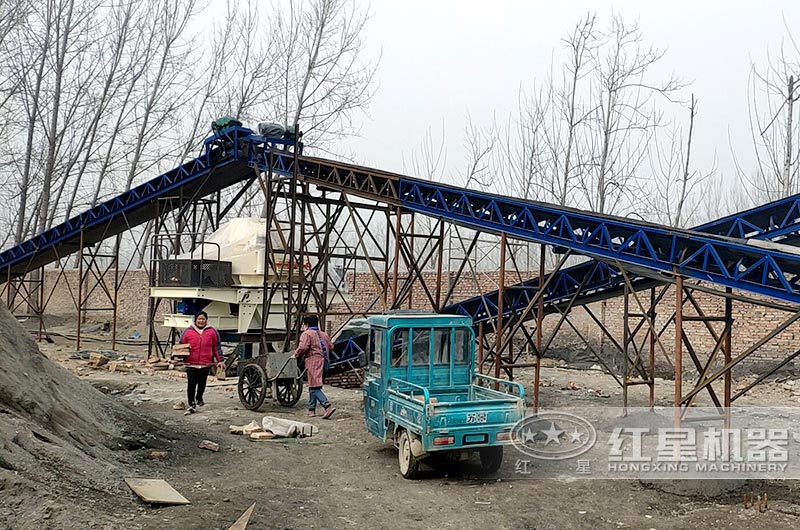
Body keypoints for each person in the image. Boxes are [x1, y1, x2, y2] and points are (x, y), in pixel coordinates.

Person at [179, 311, 224, 415]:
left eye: (203, 319)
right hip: (191, 363)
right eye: (199, 319)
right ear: (195, 320)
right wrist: (179, 354)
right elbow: (180, 345)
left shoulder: (212, 332)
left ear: (206, 320)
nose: (201, 321)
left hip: (205, 363)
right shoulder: (188, 332)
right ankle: (191, 404)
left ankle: (199, 397)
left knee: (202, 383)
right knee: (191, 384)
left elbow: (216, 347)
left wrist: (220, 360)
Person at [294, 314, 335, 419]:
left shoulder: (306, 334)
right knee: (314, 385)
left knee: (314, 387)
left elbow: (303, 347)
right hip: (325, 361)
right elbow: (331, 346)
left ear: (306, 324)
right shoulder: (324, 334)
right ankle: (311, 410)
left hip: (314, 362)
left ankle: (327, 406)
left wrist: (295, 355)